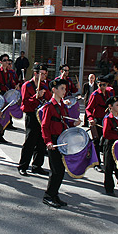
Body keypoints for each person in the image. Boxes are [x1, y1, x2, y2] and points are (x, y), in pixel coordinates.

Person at [42, 78, 82, 208]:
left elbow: (64, 121)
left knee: (61, 170)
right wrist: (48, 142)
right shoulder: (49, 106)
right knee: (56, 170)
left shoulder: (62, 106)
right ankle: (48, 196)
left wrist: (73, 123)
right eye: (62, 89)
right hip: (53, 142)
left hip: (62, 140)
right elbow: (44, 126)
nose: (64, 91)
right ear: (54, 90)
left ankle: (54, 194)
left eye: (65, 89)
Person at [17, 64, 51, 176]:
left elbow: (50, 99)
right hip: (31, 115)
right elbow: (24, 104)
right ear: (35, 73)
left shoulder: (44, 86)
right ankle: (23, 166)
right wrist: (36, 97)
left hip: (42, 116)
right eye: (42, 73)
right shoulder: (27, 85)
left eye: (45, 74)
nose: (44, 76)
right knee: (30, 141)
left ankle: (37, 166)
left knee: (41, 142)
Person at [87, 74, 114, 171]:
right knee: (96, 142)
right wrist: (90, 119)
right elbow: (88, 109)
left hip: (107, 120)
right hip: (97, 120)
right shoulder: (95, 95)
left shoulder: (109, 93)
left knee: (107, 141)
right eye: (100, 85)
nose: (102, 87)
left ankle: (109, 163)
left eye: (104, 85)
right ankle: (96, 163)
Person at [0, 53, 19, 143]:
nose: (7, 62)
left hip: (7, 95)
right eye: (4, 60)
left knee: (5, 117)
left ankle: (0, 134)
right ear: (0, 62)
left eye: (8, 60)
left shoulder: (10, 73)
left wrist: (16, 86)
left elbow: (11, 83)